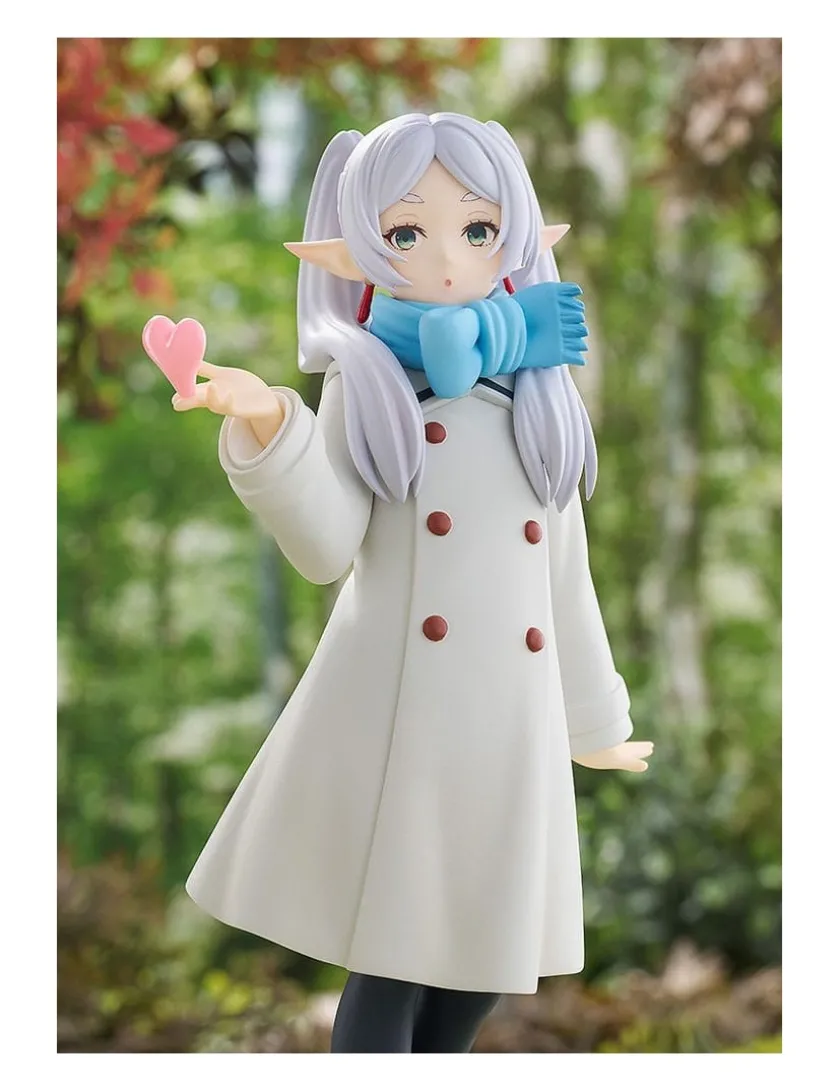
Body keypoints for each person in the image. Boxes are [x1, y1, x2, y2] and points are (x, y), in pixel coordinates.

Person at [174, 112, 653, 1053]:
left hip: (511, 721)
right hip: (408, 713)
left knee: (484, 969)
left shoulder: (543, 398)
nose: (444, 259)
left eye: (476, 228)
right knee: (393, 963)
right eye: (405, 232)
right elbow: (327, 543)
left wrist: (596, 722)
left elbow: (563, 578)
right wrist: (270, 422)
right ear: (358, 248)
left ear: (517, 234)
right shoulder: (369, 383)